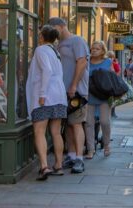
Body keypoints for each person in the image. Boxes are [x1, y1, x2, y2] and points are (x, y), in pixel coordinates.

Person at [49, 17, 88, 174]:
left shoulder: (77, 40)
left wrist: (74, 85)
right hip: (62, 91)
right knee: (68, 124)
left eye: (53, 28)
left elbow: (82, 62)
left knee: (76, 123)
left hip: (76, 91)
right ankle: (71, 155)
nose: (52, 32)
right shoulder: (58, 44)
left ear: (61, 26)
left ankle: (79, 158)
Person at [27, 25, 67, 180]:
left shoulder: (41, 50)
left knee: (39, 131)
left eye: (39, 34)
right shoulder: (55, 52)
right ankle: (58, 165)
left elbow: (47, 70)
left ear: (42, 37)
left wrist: (42, 94)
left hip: (45, 96)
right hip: (59, 96)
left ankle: (44, 166)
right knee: (56, 132)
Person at [84, 41, 114, 158]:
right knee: (89, 123)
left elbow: (113, 77)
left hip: (104, 95)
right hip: (89, 95)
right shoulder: (86, 61)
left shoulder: (108, 62)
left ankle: (106, 145)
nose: (94, 50)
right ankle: (90, 149)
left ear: (102, 51)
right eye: (93, 48)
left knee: (105, 122)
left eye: (97, 49)